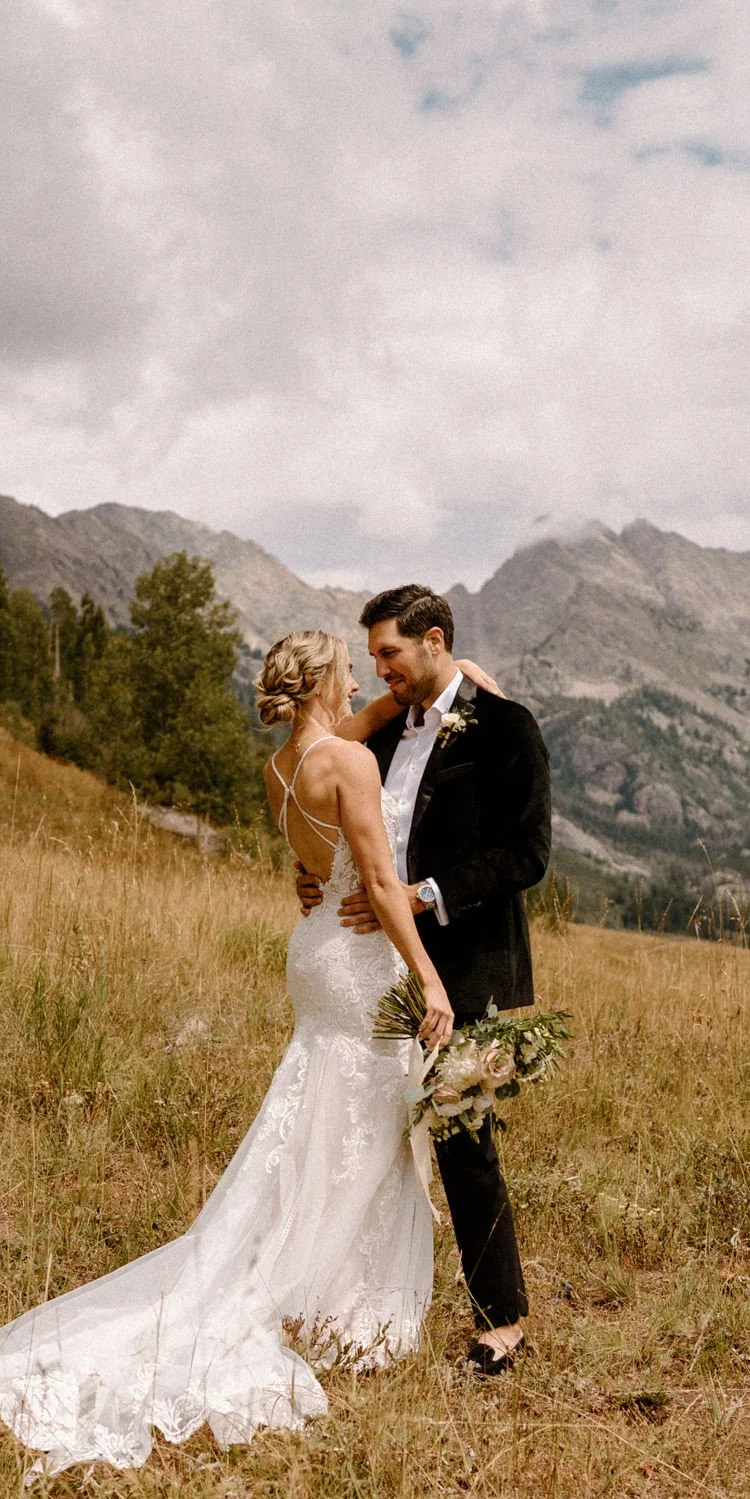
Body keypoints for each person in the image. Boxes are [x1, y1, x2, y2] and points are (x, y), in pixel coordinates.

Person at [0, 630, 456, 1471]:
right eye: (350, 672)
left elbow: (336, 796)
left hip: (311, 951)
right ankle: (334, 1297)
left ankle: (314, 1277)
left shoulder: (282, 769)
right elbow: (383, 883)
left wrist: (449, 681)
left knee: (319, 1108)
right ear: (324, 679)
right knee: (361, 1116)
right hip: (358, 958)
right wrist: (429, 977)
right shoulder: (351, 764)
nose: (362, 683)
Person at [305, 584, 553, 1375]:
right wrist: (319, 874)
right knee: (366, 1128)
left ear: (434, 640)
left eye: (391, 654)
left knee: (462, 1136)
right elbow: (334, 810)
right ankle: (352, 1299)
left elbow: (527, 853)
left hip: (469, 963)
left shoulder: (506, 726)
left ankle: (501, 1320)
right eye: (373, 657)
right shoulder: (382, 733)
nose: (381, 670)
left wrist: (426, 895)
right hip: (380, 967)